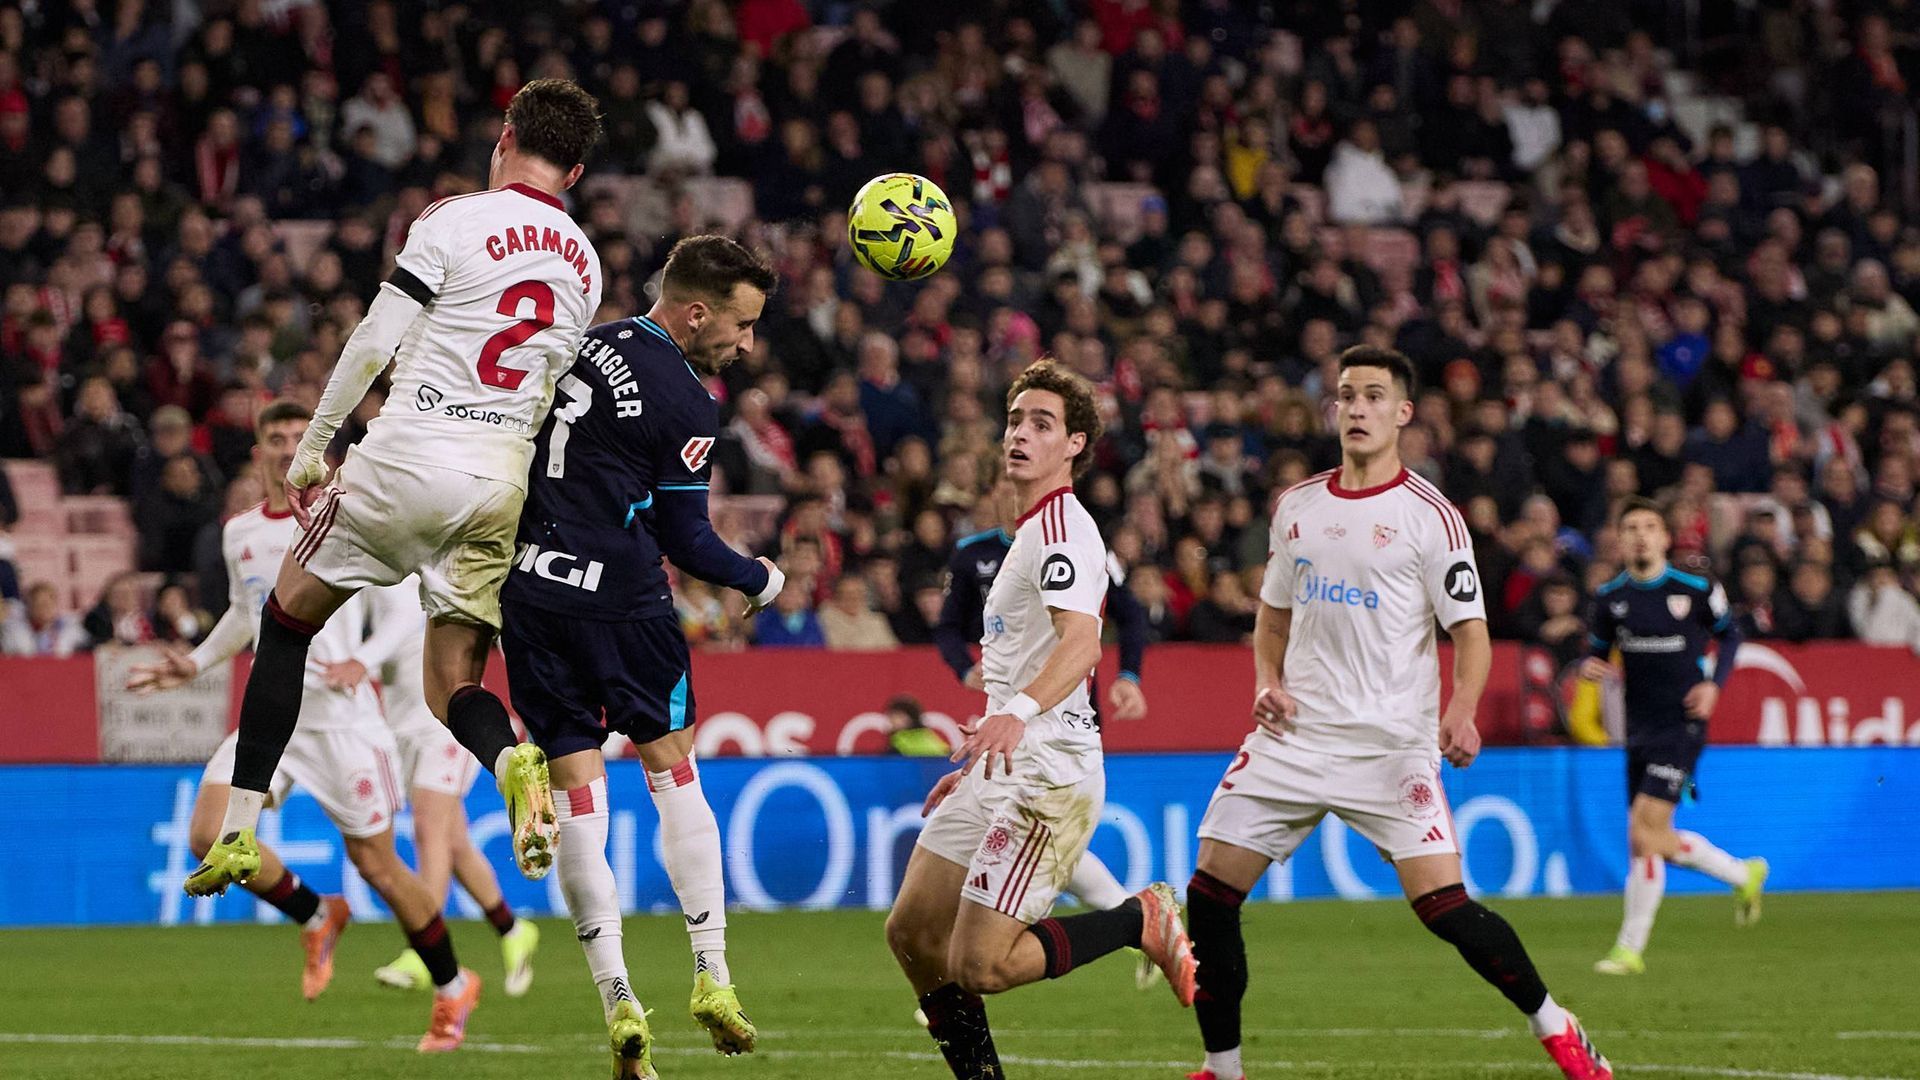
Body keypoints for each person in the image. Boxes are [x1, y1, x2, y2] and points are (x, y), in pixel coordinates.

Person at [183, 80, 605, 906]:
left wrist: (311, 451)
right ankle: (507, 759)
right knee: (452, 684)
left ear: (505, 135)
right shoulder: (584, 262)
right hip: (497, 484)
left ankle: (237, 828)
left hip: (406, 460)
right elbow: (557, 394)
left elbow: (378, 335)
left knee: (286, 618)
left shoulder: (451, 218)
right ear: (578, 172)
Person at [1183, 346, 1613, 1080]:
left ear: (1402, 414)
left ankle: (1556, 1025)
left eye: (1373, 397)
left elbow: (1470, 633)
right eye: (1346, 395)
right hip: (1295, 736)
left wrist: (1463, 709)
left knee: (1444, 906)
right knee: (1210, 894)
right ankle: (1223, 1071)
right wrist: (1266, 680)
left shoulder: (1432, 520)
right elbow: (1273, 616)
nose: (1355, 409)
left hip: (1390, 744)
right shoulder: (1297, 507)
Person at [499, 235, 783, 1078]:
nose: (747, 343)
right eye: (741, 324)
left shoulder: (580, 341)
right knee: (671, 772)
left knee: (577, 793)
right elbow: (686, 538)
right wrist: (758, 580)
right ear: (695, 313)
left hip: (531, 592)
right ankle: (713, 976)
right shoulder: (687, 402)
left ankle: (618, 997)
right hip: (622, 603)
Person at [126, 401, 481, 1051]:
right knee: (209, 833)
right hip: (272, 721)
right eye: (278, 437)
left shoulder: (353, 516)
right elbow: (245, 614)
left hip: (344, 723)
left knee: (377, 865)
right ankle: (317, 913)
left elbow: (404, 610)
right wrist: (197, 662)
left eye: (302, 435)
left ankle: (453, 985)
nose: (292, 446)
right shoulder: (240, 534)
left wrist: (363, 660)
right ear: (259, 451)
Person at [886, 359, 1197, 1080]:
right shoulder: (1024, 533)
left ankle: (1138, 919)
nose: (1020, 435)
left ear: (1075, 445)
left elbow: (1084, 642)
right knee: (912, 934)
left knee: (980, 964)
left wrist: (1018, 717)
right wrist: (979, 757)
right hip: (1000, 767)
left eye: (1042, 424)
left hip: (1048, 773)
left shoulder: (1064, 529)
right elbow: (1018, 661)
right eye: (1016, 420)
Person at [933, 471, 1159, 988]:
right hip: (1000, 719)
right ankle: (1132, 916)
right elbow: (947, 626)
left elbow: (1126, 617)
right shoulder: (973, 555)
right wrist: (962, 668)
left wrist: (1129, 676)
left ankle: (1130, 918)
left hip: (1056, 719)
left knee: (1038, 844)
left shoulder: (1079, 541)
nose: (1010, 494)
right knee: (1034, 845)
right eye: (1001, 486)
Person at [1583, 497, 1768, 977]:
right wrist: (1591, 665)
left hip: (1682, 725)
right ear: (1619, 539)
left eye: (1649, 527)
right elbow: (1598, 652)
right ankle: (1741, 873)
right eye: (1631, 528)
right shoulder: (1609, 598)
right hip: (1638, 728)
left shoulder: (1696, 587)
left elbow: (1731, 636)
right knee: (1649, 839)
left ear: (1666, 537)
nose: (1640, 536)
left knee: (1643, 832)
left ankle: (1629, 950)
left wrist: (1713, 685)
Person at [358, 576, 541, 998]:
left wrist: (359, 659)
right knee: (454, 842)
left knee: (429, 829)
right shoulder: (368, 556)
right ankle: (513, 930)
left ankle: (422, 951)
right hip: (402, 726)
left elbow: (406, 615)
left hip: (445, 720)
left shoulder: (418, 554)